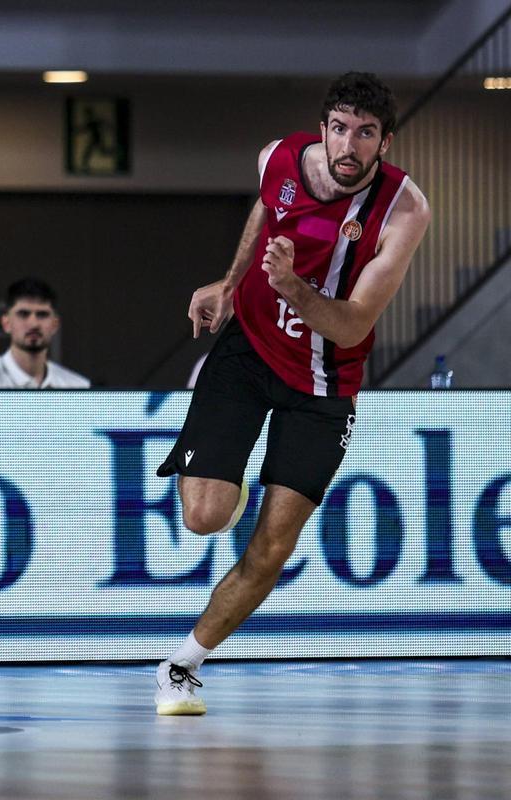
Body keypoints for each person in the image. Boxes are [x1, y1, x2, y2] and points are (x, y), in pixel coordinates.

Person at [152, 72, 430, 716]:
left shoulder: (404, 209)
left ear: (385, 142)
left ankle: (181, 665)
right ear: (323, 127)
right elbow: (265, 206)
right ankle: (229, 485)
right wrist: (231, 282)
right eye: (340, 128)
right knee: (204, 518)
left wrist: (293, 287)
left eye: (366, 133)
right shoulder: (278, 158)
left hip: (326, 383)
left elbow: (353, 325)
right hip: (249, 348)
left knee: (273, 546)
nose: (349, 145)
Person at [0, 277, 89, 389]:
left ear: (55, 325)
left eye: (42, 314)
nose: (33, 324)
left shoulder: (77, 387)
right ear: (6, 323)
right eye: (23, 314)